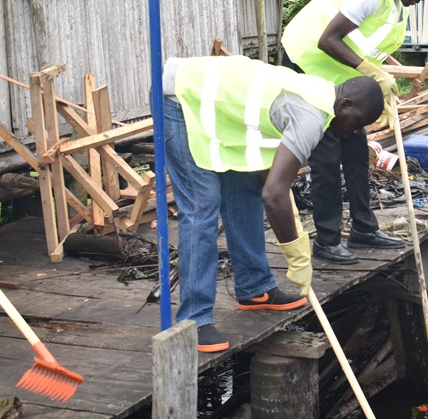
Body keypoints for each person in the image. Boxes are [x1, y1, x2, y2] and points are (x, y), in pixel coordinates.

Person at [163, 55, 383, 352]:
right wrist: (296, 256)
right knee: (202, 206)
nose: (357, 133)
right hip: (181, 99)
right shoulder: (311, 118)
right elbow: (274, 194)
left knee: (244, 190)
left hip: (219, 113)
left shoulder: (323, 93)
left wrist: (283, 202)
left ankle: (255, 289)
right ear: (345, 106)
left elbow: (267, 178)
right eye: (358, 123)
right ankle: (193, 320)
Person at [281, 0, 428, 265]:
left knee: (355, 153)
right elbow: (329, 40)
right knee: (325, 159)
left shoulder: (396, 4)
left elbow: (367, 49)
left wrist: (379, 87)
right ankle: (326, 241)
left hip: (340, 80)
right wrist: (372, 71)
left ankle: (364, 229)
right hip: (307, 67)